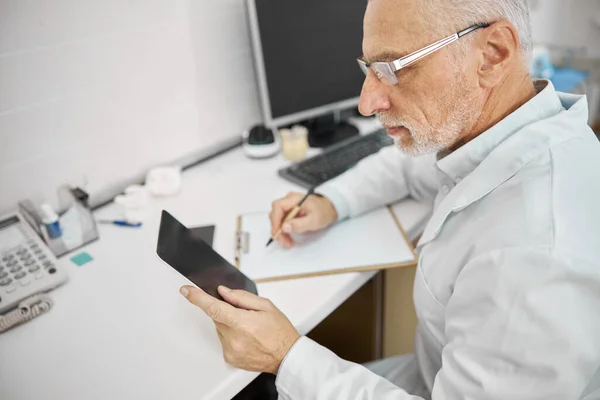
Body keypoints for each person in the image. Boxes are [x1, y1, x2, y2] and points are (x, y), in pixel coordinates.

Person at [179, 0, 600, 398]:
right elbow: (406, 167)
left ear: (491, 54)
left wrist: (284, 356)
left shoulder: (535, 253)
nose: (366, 103)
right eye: (369, 68)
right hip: (435, 372)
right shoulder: (498, 132)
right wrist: (332, 200)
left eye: (394, 68)